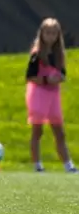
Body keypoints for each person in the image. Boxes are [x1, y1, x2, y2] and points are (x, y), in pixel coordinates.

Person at [26, 17, 75, 173]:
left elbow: (62, 73)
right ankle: (37, 165)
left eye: (54, 33)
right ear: (42, 34)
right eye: (48, 33)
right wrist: (47, 79)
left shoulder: (59, 55)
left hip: (53, 95)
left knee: (59, 132)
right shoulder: (37, 54)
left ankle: (68, 165)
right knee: (37, 130)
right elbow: (30, 76)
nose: (51, 37)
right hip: (39, 94)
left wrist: (59, 78)